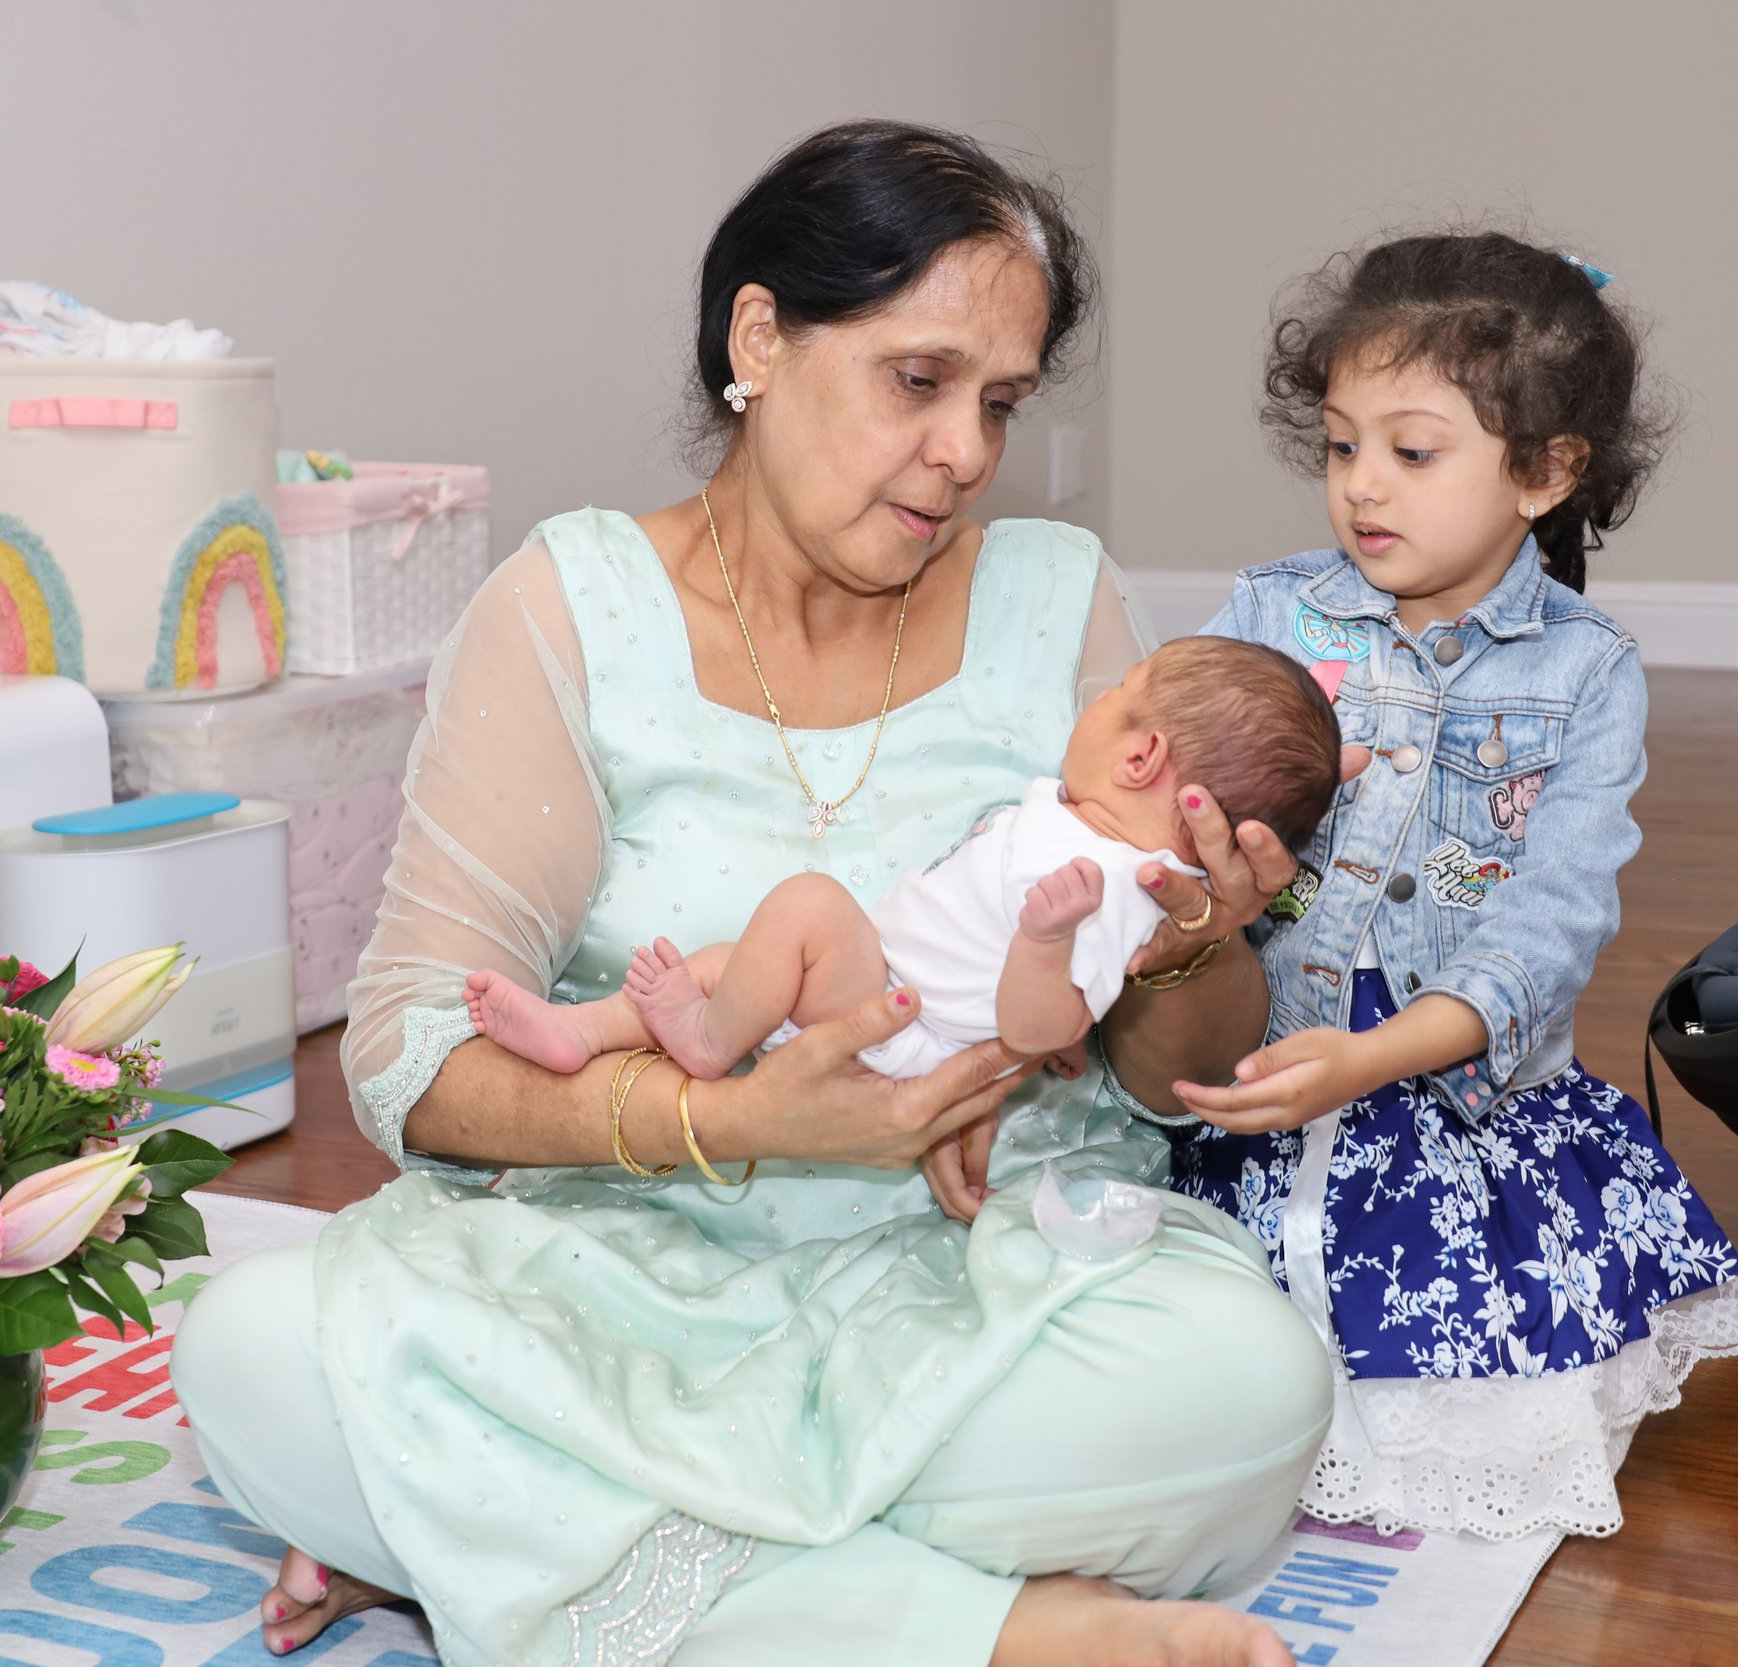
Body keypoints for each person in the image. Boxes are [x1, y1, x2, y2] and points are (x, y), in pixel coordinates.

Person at [170, 121, 1337, 1667]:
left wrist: (1200, 940)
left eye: (999, 403)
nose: (968, 453)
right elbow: (401, 1058)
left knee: (1246, 1387)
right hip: (625, 1285)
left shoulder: (1065, 601)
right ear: (760, 338)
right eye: (919, 381)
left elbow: (1178, 1085)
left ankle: (519, 1547)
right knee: (250, 1354)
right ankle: (985, 1626)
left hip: (981, 1277)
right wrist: (734, 1118)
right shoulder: (566, 610)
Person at [1168, 231, 1738, 1541]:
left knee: (1473, 1413)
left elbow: (1547, 928)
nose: (1361, 486)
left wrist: (1374, 1058)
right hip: (1265, 1054)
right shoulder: (1271, 612)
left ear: (1546, 472)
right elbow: (1170, 817)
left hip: (1443, 1072)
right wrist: (1198, 887)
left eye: (1412, 450)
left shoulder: (1585, 673)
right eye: (1340, 446)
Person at [465, 637, 1339, 1090]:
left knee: (805, 907)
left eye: (1116, 695)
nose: (1096, 699)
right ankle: (580, 1032)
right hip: (896, 990)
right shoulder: (1082, 832)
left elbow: (1047, 1028)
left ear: (1141, 759)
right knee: (731, 964)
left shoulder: (1110, 884)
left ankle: (703, 1044)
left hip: (907, 1031)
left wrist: (1044, 945)